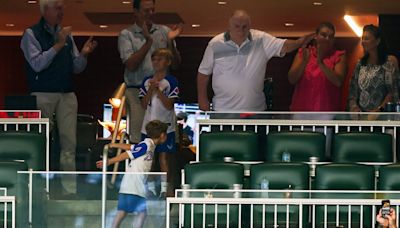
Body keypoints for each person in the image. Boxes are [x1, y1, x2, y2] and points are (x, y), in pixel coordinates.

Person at [20, 0, 97, 195]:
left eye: (63, 8)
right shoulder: (31, 34)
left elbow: (76, 67)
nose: (62, 12)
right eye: (57, 8)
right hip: (43, 92)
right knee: (42, 141)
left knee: (69, 142)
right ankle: (39, 188)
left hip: (67, 93)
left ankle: (68, 189)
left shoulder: (66, 35)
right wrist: (58, 44)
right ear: (45, 10)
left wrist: (85, 55)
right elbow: (37, 63)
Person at [197, 10, 315, 112]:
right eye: (237, 26)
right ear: (229, 26)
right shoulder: (215, 43)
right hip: (222, 110)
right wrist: (202, 99)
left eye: (245, 26)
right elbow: (203, 73)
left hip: (255, 111)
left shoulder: (261, 39)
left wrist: (299, 42)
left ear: (250, 26)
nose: (241, 31)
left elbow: (284, 46)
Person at [118, 0, 182, 144]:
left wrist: (171, 42)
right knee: (141, 140)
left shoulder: (164, 31)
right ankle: (141, 167)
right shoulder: (126, 34)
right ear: (136, 12)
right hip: (137, 92)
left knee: (166, 140)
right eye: (146, 11)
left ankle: (164, 167)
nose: (150, 14)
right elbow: (131, 65)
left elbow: (176, 64)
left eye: (153, 10)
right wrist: (148, 42)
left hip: (163, 90)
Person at [96, 120, 168, 228]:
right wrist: (110, 161)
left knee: (122, 212)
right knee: (142, 213)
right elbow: (128, 154)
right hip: (135, 186)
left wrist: (114, 144)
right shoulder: (147, 145)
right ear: (162, 135)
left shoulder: (147, 145)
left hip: (128, 185)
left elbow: (131, 147)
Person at [139, 48, 179, 196]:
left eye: (160, 59)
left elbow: (169, 105)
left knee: (164, 158)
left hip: (166, 126)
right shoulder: (146, 81)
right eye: (154, 59)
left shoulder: (171, 81)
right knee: (148, 157)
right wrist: (151, 89)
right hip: (147, 126)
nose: (156, 62)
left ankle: (164, 189)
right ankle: (149, 188)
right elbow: (143, 104)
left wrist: (158, 91)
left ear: (168, 62)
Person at [289, 22, 347, 111]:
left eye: (331, 37)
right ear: (316, 36)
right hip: (302, 110)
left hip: (327, 112)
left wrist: (321, 63)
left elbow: (338, 81)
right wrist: (304, 62)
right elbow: (292, 79)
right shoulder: (304, 53)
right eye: (324, 35)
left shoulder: (339, 56)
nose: (327, 39)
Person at [348, 24, 400, 112]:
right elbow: (353, 91)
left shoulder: (389, 62)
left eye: (367, 38)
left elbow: (392, 92)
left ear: (377, 41)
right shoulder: (360, 64)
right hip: (362, 117)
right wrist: (354, 107)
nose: (363, 42)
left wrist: (378, 111)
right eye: (362, 38)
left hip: (383, 116)